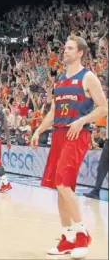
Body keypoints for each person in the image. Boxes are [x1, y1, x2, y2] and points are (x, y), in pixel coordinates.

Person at [31, 35, 108, 258]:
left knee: (64, 185)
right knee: (60, 188)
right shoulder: (60, 81)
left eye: (70, 48)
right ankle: (67, 238)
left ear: (81, 53)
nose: (65, 52)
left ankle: (83, 234)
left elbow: (103, 108)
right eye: (65, 48)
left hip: (77, 133)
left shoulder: (88, 77)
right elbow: (53, 113)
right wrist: (38, 130)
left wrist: (82, 120)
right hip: (58, 134)